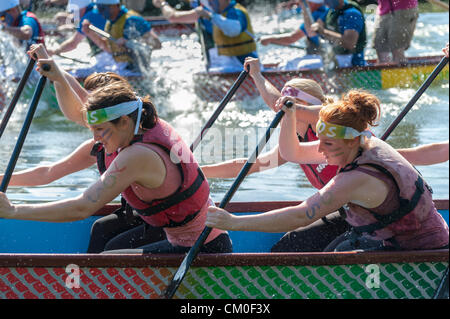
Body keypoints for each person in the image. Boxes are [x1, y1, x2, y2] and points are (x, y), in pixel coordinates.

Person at [0, 77, 232, 255]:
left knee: (108, 261)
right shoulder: (137, 125)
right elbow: (77, 111)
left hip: (205, 246)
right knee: (103, 235)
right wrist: (59, 76)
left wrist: (14, 211)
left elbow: (82, 207)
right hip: (178, 235)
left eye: (101, 130)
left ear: (123, 122)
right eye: (93, 130)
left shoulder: (137, 155)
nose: (96, 137)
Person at [206, 90, 449, 252]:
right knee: (296, 245)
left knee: (334, 255)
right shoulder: (363, 140)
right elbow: (294, 153)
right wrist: (290, 116)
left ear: (351, 141)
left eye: (328, 144)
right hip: (384, 232)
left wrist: (234, 222)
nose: (320, 150)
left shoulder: (355, 179)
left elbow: (301, 215)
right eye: (319, 140)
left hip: (417, 252)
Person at [153, 0, 258, 72]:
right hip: (222, 64)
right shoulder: (208, 10)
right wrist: (163, 3)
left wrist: (210, 16)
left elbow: (234, 30)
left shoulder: (236, 11)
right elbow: (173, 16)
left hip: (243, 65)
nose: (210, 3)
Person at [81, 0, 161, 72]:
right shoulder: (110, 23)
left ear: (116, 6)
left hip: (138, 69)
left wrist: (130, 42)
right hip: (123, 67)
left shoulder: (132, 20)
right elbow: (109, 49)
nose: (100, 12)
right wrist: (90, 33)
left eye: (103, 8)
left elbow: (157, 44)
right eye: (99, 8)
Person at [259, 0, 329, 57]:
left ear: (311, 3)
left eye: (302, 3)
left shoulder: (315, 15)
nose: (300, 5)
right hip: (323, 53)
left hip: (322, 56)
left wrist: (269, 39)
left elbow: (291, 38)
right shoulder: (326, 11)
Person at [311, 0, 366, 68]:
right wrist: (304, 6)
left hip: (352, 62)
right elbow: (315, 28)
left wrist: (324, 32)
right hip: (334, 57)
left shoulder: (352, 14)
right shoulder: (331, 11)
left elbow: (349, 44)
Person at [372, 0, 418, 64]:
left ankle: (401, 70)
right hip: (383, 9)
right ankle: (385, 70)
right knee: (380, 47)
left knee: (397, 49)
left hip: (403, 8)